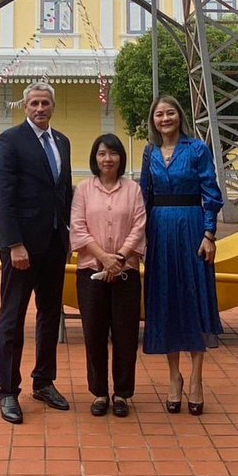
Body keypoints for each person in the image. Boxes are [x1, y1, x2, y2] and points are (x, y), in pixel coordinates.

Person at [0, 81, 73, 424]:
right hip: (22, 247)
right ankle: (8, 391)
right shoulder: (10, 141)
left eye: (46, 103)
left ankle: (44, 381)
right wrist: (14, 244)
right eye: (34, 104)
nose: (40, 109)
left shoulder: (62, 142)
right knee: (12, 318)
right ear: (25, 107)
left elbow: (63, 192)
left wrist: (71, 237)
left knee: (50, 314)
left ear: (53, 107)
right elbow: (4, 195)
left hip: (55, 245)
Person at [139, 94, 223, 416]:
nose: (165, 119)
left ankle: (197, 379)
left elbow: (211, 193)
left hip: (191, 229)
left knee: (193, 298)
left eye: (170, 113)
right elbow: (144, 197)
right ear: (154, 120)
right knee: (166, 301)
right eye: (159, 114)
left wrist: (209, 234)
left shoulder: (198, 149)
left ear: (179, 116)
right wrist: (140, 240)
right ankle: (174, 377)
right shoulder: (150, 153)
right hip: (159, 231)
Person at [69, 134, 146, 418]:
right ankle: (100, 392)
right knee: (95, 334)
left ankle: (122, 393)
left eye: (113, 153)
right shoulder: (84, 190)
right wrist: (103, 258)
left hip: (125, 273)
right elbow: (77, 227)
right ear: (95, 157)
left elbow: (139, 225)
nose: (108, 159)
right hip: (91, 272)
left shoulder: (134, 189)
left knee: (126, 336)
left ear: (121, 158)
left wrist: (120, 259)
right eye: (102, 153)